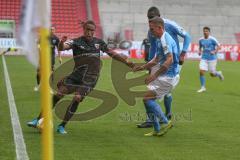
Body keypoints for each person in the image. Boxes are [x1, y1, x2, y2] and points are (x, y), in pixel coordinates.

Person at [27, 20, 134, 134]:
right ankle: (38, 119)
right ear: (84, 29)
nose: (89, 32)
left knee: (77, 98)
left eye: (92, 30)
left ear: (94, 31)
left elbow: (112, 54)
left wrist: (126, 62)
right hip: (75, 76)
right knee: (59, 94)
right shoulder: (77, 42)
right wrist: (61, 43)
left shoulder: (99, 42)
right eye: (87, 29)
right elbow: (62, 47)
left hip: (90, 78)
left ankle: (62, 125)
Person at [137, 6, 191, 128]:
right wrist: (149, 66)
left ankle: (165, 117)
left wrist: (183, 53)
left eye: (152, 19)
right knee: (152, 89)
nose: (150, 22)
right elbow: (153, 49)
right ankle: (155, 119)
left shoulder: (170, 26)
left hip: (173, 61)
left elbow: (187, 36)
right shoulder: (152, 31)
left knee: (162, 90)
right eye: (149, 20)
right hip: (161, 61)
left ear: (159, 18)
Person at [133, 17, 179, 136]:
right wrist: (143, 67)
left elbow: (170, 59)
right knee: (147, 100)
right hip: (165, 76)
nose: (151, 32)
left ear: (159, 28)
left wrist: (154, 76)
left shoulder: (164, 39)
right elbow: (157, 59)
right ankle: (157, 129)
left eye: (152, 29)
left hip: (168, 77)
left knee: (148, 99)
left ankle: (164, 122)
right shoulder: (160, 38)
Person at [34, 26, 62, 91]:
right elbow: (37, 43)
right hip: (43, 56)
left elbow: (59, 49)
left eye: (53, 29)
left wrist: (60, 57)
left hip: (51, 56)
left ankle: (50, 87)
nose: (52, 30)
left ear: (55, 30)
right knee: (38, 72)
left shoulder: (56, 39)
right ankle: (38, 85)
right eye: (50, 29)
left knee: (51, 72)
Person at [197, 26, 224, 93]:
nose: (205, 32)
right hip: (204, 58)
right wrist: (199, 51)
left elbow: (219, 46)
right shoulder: (201, 40)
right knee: (201, 71)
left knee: (212, 74)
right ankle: (203, 87)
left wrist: (214, 51)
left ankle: (218, 74)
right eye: (204, 31)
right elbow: (200, 47)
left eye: (206, 31)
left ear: (209, 32)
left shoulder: (212, 39)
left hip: (212, 59)